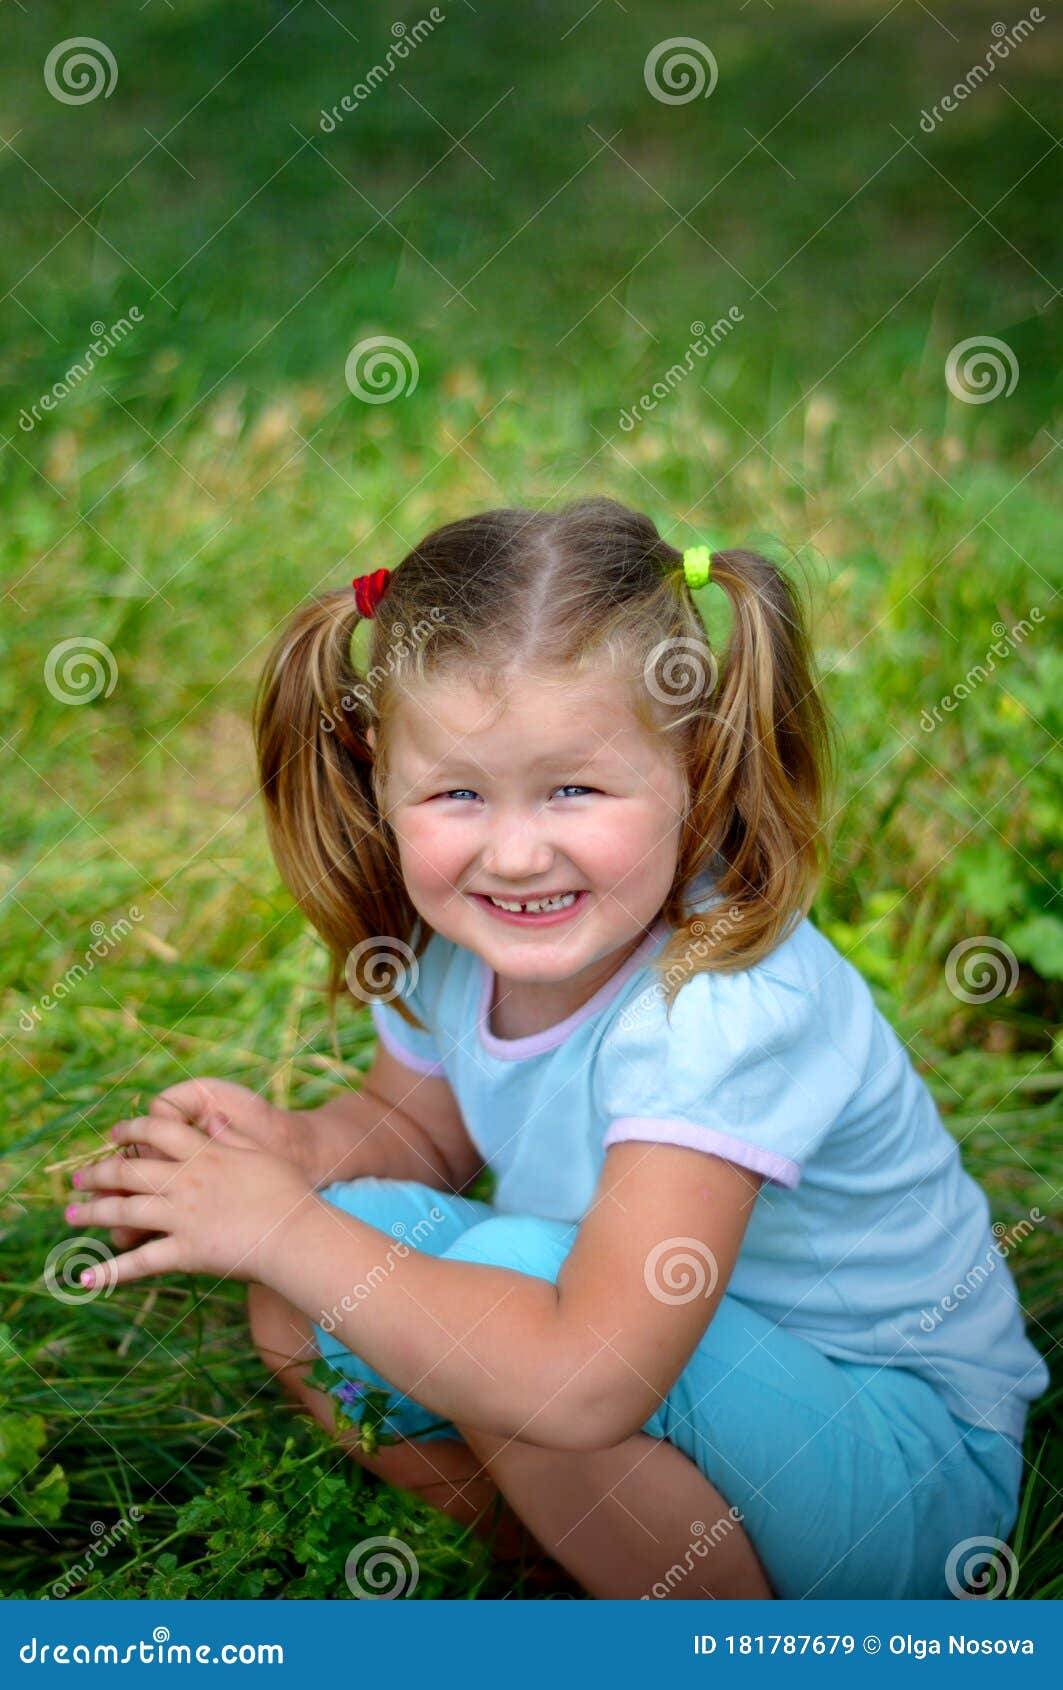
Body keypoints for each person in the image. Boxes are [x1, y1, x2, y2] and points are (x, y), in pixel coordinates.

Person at [68, 497, 1048, 1599]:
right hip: (662, 1370)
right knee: (303, 1290)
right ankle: (569, 1567)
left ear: (695, 758)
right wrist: (292, 1156)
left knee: (499, 1319)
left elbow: (584, 1381)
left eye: (574, 788)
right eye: (456, 794)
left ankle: (735, 1645)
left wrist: (283, 1223)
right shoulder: (454, 947)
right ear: (376, 768)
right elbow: (417, 1130)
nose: (518, 852)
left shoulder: (719, 1003)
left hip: (896, 1471)